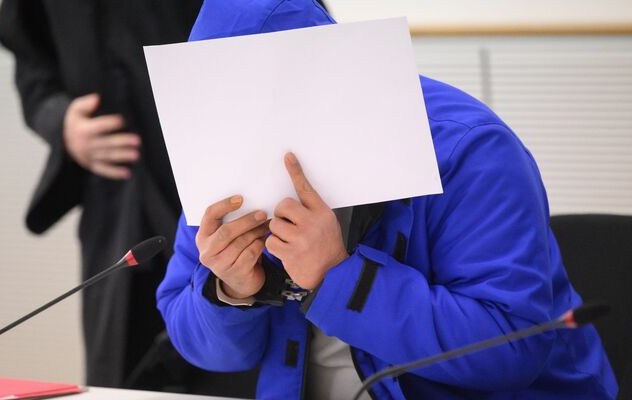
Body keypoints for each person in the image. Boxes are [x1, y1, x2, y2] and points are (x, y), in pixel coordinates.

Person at [156, 0, 619, 399]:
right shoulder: (223, 154)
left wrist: (336, 277)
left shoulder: (468, 149)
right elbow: (208, 350)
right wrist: (233, 293)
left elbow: (512, 349)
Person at [0, 0, 202, 388]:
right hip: (113, 201)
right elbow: (30, 60)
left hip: (210, 186)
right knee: (119, 371)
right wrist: (61, 122)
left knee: (229, 354)